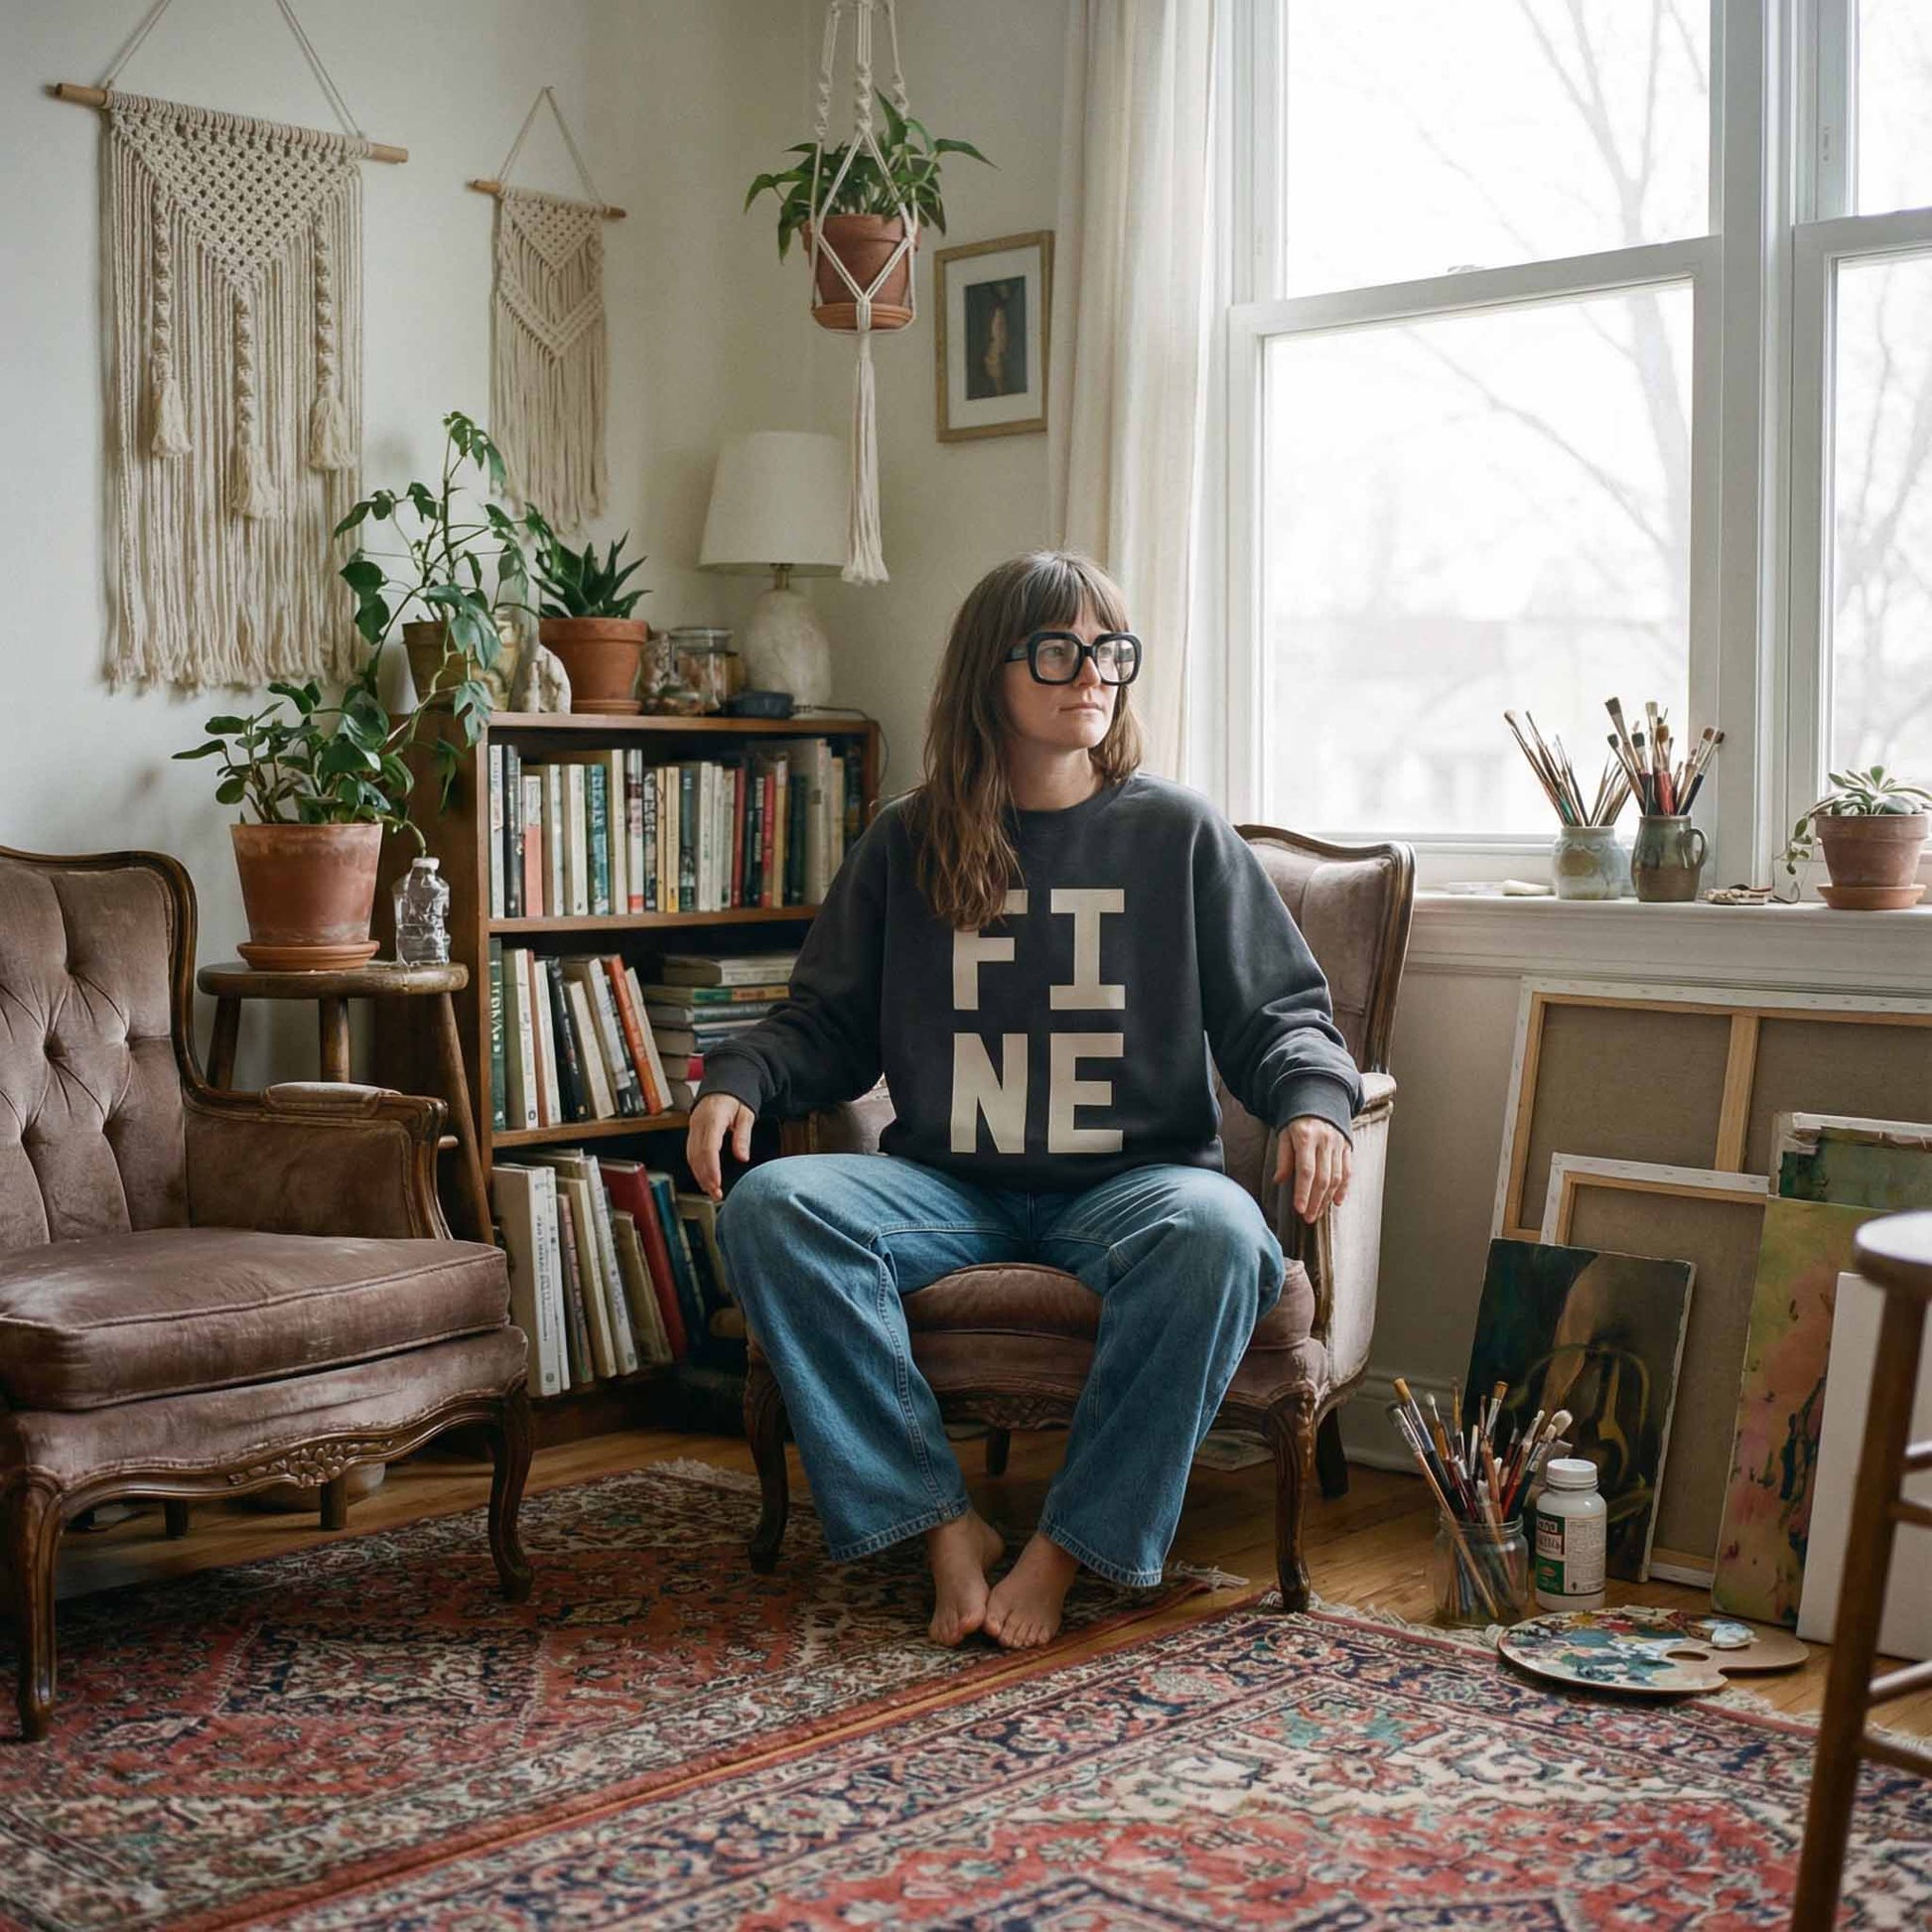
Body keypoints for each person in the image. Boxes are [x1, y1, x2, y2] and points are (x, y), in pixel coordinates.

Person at [687, 551, 1362, 1651]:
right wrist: (740, 1079)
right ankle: (939, 1523)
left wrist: (1311, 1102)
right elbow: (826, 1022)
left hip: (1133, 1188)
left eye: (1108, 650)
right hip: (944, 1186)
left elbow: (1278, 1014)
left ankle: (1064, 1546)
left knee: (1222, 1236)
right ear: (985, 674)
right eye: (1057, 649)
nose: (1090, 673)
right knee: (773, 1206)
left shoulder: (1178, 836)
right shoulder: (907, 839)